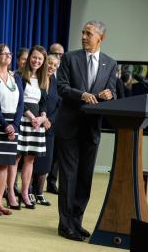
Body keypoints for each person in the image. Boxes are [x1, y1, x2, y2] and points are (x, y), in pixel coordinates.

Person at [55, 20, 117, 241]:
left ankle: (76, 222)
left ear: (100, 37)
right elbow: (61, 87)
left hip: (91, 129)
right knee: (69, 178)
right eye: (82, 32)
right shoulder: (70, 58)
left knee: (85, 179)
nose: (83, 36)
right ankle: (65, 225)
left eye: (88, 33)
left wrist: (110, 95)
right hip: (69, 127)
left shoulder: (110, 63)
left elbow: (112, 93)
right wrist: (81, 95)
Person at [7, 45, 48, 209]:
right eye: (34, 57)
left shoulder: (44, 78)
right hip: (23, 119)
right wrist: (32, 117)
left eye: (40, 58)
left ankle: (25, 192)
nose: (36, 61)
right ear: (29, 57)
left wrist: (42, 117)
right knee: (16, 158)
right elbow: (19, 100)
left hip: (37, 123)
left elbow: (44, 102)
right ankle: (10, 192)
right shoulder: (18, 75)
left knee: (30, 159)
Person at [0, 44, 24, 215]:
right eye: (4, 53)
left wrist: (14, 125)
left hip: (13, 124)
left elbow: (21, 103)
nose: (9, 55)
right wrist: (4, 124)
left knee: (5, 166)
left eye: (10, 53)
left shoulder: (17, 78)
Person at [31, 54, 61, 206]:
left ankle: (40, 193)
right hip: (35, 124)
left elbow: (59, 105)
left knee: (46, 161)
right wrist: (41, 119)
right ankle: (29, 191)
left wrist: (50, 120)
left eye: (55, 65)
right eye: (50, 63)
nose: (52, 67)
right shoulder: (37, 78)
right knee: (32, 159)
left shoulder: (56, 82)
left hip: (50, 127)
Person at [46, 43, 65, 194]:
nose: (58, 57)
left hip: (60, 118)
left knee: (57, 153)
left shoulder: (65, 72)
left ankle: (51, 182)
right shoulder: (44, 71)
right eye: (55, 54)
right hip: (44, 117)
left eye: (60, 55)